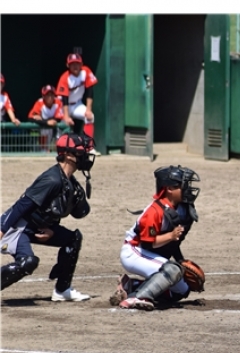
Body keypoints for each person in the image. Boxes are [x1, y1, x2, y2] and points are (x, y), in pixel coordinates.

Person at [1, 133, 95, 300]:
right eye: (81, 152)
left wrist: (52, 229)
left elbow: (70, 211)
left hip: (38, 227)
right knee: (28, 262)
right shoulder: (52, 180)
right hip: (18, 227)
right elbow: (21, 206)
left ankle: (62, 290)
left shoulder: (69, 183)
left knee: (73, 239)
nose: (85, 156)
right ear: (68, 155)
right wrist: (1, 231)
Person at [110, 165, 201, 311]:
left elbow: (173, 245)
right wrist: (171, 236)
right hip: (134, 252)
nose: (188, 189)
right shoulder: (154, 212)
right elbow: (148, 244)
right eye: (184, 185)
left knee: (181, 290)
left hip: (149, 253)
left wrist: (181, 262)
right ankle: (137, 297)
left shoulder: (182, 209)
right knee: (173, 270)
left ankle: (132, 285)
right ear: (169, 189)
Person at [55, 53, 101, 154]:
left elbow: (90, 91)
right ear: (68, 65)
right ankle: (59, 148)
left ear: (81, 64)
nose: (75, 66)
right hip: (63, 105)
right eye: (72, 64)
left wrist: (88, 110)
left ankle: (88, 148)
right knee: (62, 125)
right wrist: (66, 116)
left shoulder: (86, 71)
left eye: (77, 63)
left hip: (77, 104)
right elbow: (64, 99)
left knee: (90, 117)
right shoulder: (65, 77)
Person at [28, 85, 66, 151]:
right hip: (45, 127)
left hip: (56, 126)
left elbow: (59, 118)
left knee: (63, 124)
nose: (50, 97)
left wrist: (43, 120)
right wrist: (46, 122)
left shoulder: (58, 102)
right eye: (48, 95)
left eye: (52, 95)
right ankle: (44, 150)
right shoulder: (39, 102)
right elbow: (30, 117)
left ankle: (59, 147)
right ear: (43, 96)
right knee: (45, 129)